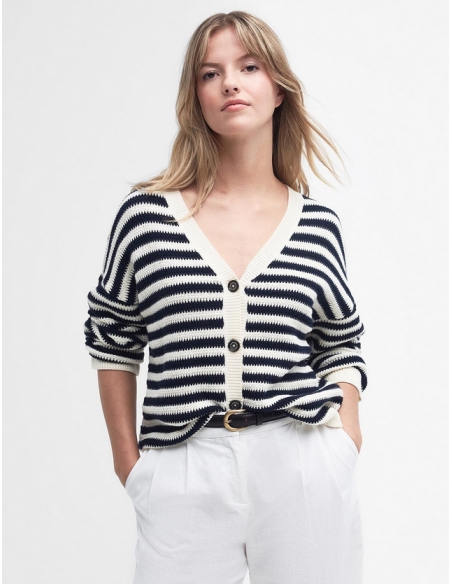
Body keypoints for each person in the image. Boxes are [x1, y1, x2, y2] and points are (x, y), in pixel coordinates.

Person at [84, 10, 368, 584]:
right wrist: (128, 462)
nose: (230, 83)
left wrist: (345, 436)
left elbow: (340, 340)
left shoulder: (316, 225)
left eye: (249, 67)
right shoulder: (147, 217)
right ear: (197, 97)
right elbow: (112, 336)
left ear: (279, 89)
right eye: (210, 74)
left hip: (301, 461)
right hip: (184, 469)